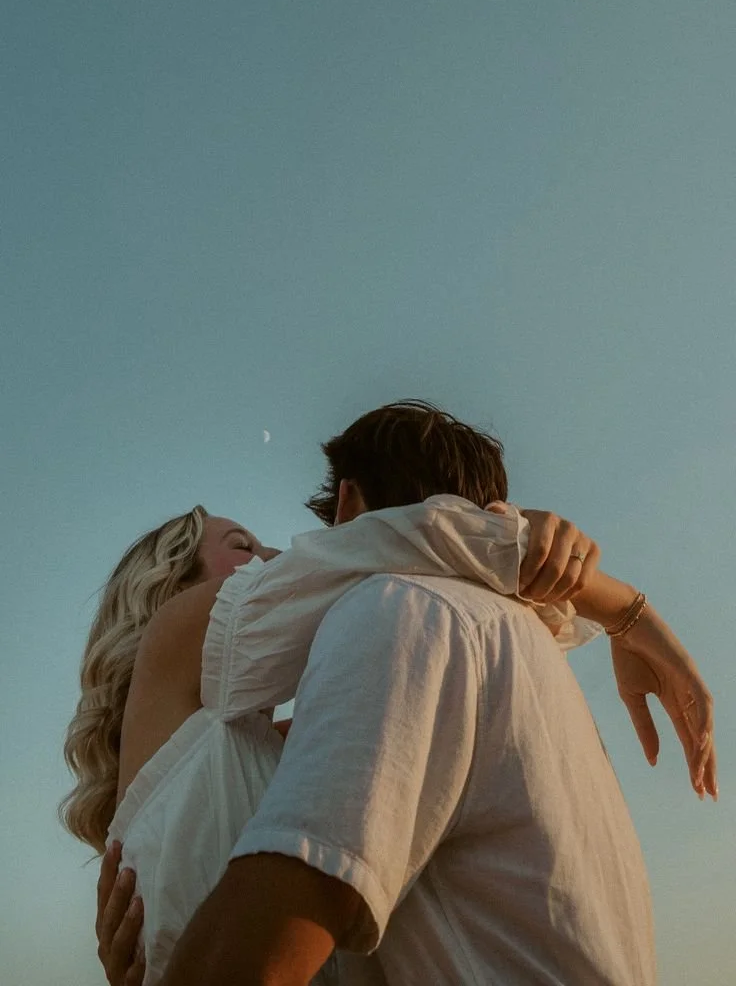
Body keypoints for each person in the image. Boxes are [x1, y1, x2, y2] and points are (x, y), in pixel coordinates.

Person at [87, 402, 716, 986]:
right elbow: (405, 541)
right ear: (169, 582)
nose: (282, 554)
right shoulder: (186, 629)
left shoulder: (324, 716)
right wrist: (610, 601)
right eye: (244, 549)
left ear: (349, 498)